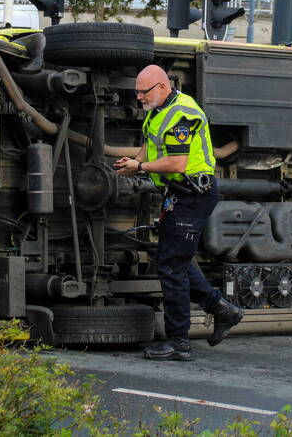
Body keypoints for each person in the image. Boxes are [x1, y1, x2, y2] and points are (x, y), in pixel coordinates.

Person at [114, 64, 243, 361]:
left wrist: (140, 168)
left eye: (143, 92)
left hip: (193, 195)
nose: (139, 99)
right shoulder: (159, 110)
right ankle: (223, 310)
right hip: (180, 195)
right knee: (176, 262)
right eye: (137, 93)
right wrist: (132, 161)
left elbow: (176, 164)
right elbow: (150, 144)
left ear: (161, 87)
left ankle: (178, 342)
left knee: (172, 267)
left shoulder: (180, 116)